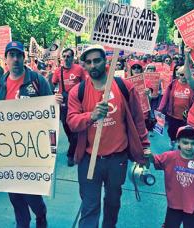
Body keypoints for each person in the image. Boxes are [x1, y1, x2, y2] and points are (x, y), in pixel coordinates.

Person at [67, 45, 150, 228]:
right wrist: (91, 116)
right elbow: (72, 122)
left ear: (106, 61)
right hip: (89, 161)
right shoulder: (77, 92)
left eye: (97, 60)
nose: (93, 65)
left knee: (113, 203)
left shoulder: (124, 86)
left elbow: (138, 120)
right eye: (88, 62)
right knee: (90, 207)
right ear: (84, 65)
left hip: (117, 160)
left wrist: (144, 147)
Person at [0, 41, 62, 228]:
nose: (15, 58)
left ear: (23, 57)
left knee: (31, 194)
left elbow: (51, 114)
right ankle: (23, 224)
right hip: (7, 150)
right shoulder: (0, 85)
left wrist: (54, 103)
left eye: (18, 55)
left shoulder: (37, 81)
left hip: (32, 150)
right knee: (14, 195)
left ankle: (41, 214)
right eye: (11, 55)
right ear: (5, 59)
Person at [146, 125, 194, 228]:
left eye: (193, 143)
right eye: (185, 142)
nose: (189, 146)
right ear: (178, 142)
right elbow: (156, 160)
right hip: (174, 204)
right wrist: (150, 155)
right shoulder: (169, 157)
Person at [52, 48, 86, 166]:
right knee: (67, 128)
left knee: (75, 130)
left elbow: (85, 84)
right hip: (64, 104)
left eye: (68, 56)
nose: (66, 58)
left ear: (73, 58)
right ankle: (75, 146)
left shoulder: (79, 69)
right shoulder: (57, 71)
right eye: (64, 56)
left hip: (77, 104)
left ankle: (71, 155)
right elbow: (53, 84)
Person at [158, 66, 194, 149]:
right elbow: (165, 97)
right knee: (171, 131)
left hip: (186, 116)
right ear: (178, 75)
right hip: (172, 114)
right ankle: (172, 140)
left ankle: (181, 145)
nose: (184, 76)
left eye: (186, 74)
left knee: (184, 132)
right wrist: (160, 109)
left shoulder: (192, 85)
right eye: (181, 74)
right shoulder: (173, 84)